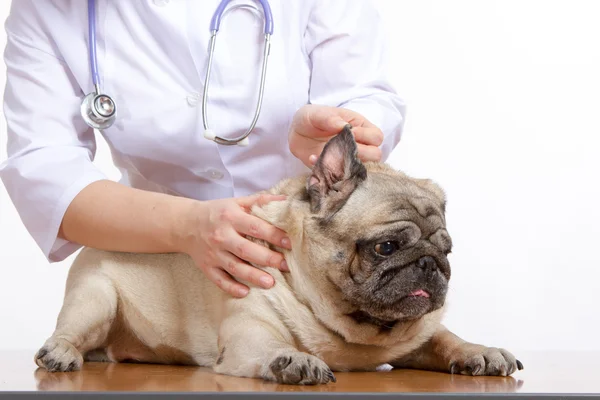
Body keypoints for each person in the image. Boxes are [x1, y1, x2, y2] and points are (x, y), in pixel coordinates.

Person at [0, 1, 406, 298]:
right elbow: (45, 175)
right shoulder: (45, 11)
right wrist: (189, 225)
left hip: (316, 259)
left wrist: (336, 135)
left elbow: (365, 94)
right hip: (164, 273)